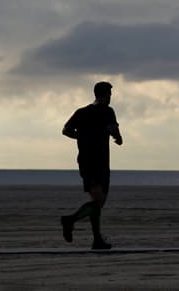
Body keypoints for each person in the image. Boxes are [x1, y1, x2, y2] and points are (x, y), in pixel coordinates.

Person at [59, 81, 123, 249]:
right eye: (109, 95)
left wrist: (80, 137)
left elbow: (66, 130)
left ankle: (97, 240)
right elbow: (113, 129)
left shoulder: (82, 112)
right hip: (99, 161)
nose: (110, 98)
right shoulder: (107, 111)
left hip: (85, 160)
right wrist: (118, 138)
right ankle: (70, 220)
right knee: (99, 200)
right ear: (105, 95)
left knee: (98, 202)